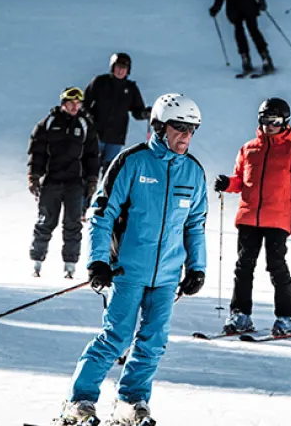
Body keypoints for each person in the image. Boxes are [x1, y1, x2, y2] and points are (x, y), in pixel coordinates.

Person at [61, 93, 208, 426]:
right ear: (158, 126)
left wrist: (197, 268)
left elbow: (195, 225)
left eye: (191, 130)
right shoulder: (132, 162)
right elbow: (102, 214)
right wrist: (98, 262)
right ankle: (79, 402)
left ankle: (131, 401)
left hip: (167, 275)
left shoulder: (194, 172)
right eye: (178, 127)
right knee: (115, 338)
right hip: (126, 271)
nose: (185, 136)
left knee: (154, 342)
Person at [213, 97, 291, 336]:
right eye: (265, 120)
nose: (269, 126)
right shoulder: (248, 149)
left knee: (276, 267)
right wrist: (228, 184)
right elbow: (240, 181)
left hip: (277, 220)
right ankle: (240, 316)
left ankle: (287, 318)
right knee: (243, 267)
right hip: (249, 218)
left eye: (275, 121)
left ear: (285, 122)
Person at [28, 86, 101, 279]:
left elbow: (92, 155)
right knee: (45, 222)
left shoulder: (85, 125)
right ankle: (37, 262)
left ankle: (70, 265)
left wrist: (92, 179)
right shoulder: (49, 123)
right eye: (71, 103)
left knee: (73, 224)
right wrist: (34, 176)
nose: (75, 107)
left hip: (74, 183)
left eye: (78, 103)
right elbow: (37, 152)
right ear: (63, 104)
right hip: (52, 180)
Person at [82, 52, 151, 181]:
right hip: (96, 133)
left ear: (128, 70)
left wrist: (145, 113)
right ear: (112, 67)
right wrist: (88, 115)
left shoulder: (130, 89)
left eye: (124, 68)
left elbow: (137, 111)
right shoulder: (100, 82)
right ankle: (85, 200)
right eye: (118, 67)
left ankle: (104, 199)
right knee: (91, 168)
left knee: (109, 172)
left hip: (116, 137)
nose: (120, 71)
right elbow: (84, 102)